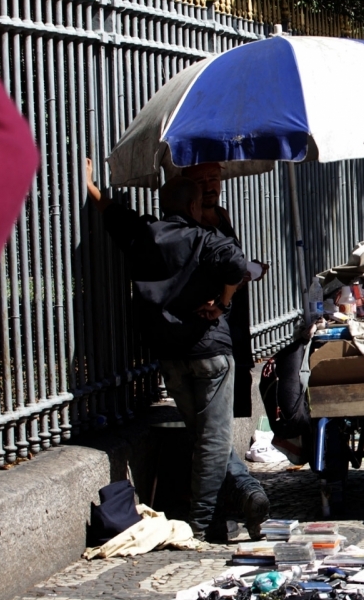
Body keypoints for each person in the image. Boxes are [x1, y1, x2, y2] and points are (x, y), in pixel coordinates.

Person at [84, 161, 270, 542]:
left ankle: (247, 494)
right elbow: (237, 265)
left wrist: (90, 185)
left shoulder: (145, 235)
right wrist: (222, 302)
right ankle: (201, 524)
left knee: (205, 435)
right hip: (210, 350)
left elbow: (116, 215)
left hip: (170, 355)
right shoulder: (204, 238)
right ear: (193, 206)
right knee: (213, 440)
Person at [183, 163, 270, 426]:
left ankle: (232, 443)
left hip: (235, 313)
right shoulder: (189, 222)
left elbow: (230, 259)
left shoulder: (222, 215)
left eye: (214, 178)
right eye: (200, 181)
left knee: (239, 381)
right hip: (211, 316)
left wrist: (248, 269)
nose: (209, 186)